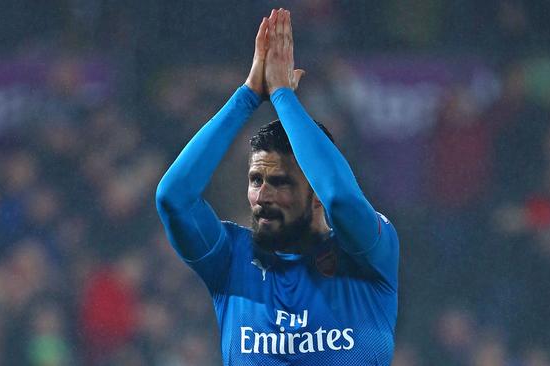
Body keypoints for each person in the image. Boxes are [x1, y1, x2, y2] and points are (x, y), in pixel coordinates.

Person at [155, 8, 399, 365]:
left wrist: (283, 95)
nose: (262, 196)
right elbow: (173, 197)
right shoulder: (231, 260)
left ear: (314, 190)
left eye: (280, 182)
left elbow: (343, 200)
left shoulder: (365, 256)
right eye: (256, 180)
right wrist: (249, 95)